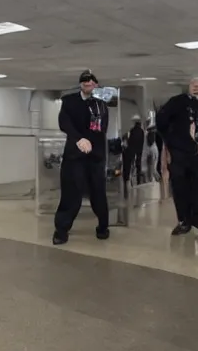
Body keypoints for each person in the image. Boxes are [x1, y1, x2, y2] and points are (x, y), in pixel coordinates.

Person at [155, 77, 198, 236]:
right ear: (189, 87)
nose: (196, 87)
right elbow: (161, 120)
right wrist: (169, 141)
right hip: (180, 154)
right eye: (193, 85)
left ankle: (195, 217)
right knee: (179, 187)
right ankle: (183, 220)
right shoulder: (177, 102)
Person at [53, 70, 110, 245]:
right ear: (80, 84)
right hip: (74, 156)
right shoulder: (69, 101)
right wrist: (79, 139)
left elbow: (101, 130)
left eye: (91, 81)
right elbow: (64, 122)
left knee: (98, 193)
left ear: (96, 85)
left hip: (95, 157)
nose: (88, 83)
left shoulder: (101, 105)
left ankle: (103, 226)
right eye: (84, 81)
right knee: (71, 193)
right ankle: (61, 230)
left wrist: (91, 145)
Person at [123, 114, 145, 185]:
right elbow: (142, 142)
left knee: (131, 166)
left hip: (132, 151)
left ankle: (129, 180)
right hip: (139, 151)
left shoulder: (132, 131)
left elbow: (129, 141)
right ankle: (139, 181)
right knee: (138, 166)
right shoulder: (141, 131)